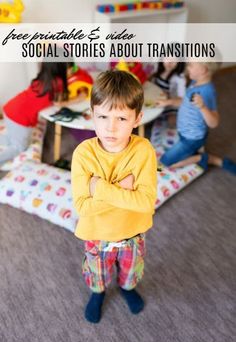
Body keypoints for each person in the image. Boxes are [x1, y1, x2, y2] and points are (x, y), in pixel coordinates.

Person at [71, 70, 157, 323]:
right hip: (96, 234)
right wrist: (123, 188)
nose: (110, 127)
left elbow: (145, 202)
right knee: (96, 274)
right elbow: (83, 208)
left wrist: (102, 187)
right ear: (91, 115)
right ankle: (98, 294)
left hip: (133, 232)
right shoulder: (83, 154)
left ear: (137, 118)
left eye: (121, 118)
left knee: (132, 271)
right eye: (103, 116)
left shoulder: (143, 151)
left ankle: (126, 288)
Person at [160, 61, 236, 175]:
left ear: (203, 70)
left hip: (192, 139)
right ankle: (200, 155)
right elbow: (185, 101)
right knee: (179, 154)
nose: (187, 67)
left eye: (191, 65)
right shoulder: (195, 82)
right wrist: (168, 102)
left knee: (165, 162)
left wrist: (203, 107)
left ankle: (203, 158)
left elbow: (214, 122)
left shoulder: (207, 92)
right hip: (185, 133)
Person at [0, 62, 68, 166]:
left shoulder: (41, 77)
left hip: (9, 108)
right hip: (18, 118)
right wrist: (79, 98)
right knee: (19, 147)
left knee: (10, 138)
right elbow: (58, 103)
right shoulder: (58, 82)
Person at [151, 59, 186, 127]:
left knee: (172, 122)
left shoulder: (179, 78)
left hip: (170, 104)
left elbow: (182, 100)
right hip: (156, 100)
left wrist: (167, 102)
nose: (170, 62)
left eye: (174, 59)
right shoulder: (158, 69)